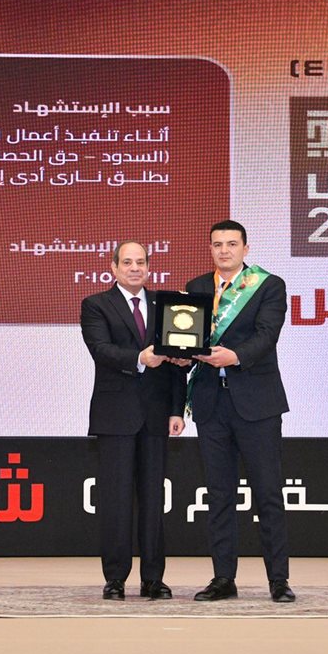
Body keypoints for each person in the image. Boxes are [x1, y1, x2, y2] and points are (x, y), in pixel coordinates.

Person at [186, 220, 294, 603]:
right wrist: (180, 355)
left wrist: (234, 357)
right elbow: (186, 338)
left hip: (257, 404)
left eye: (232, 244)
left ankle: (278, 580)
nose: (224, 250)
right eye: (217, 244)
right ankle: (222, 579)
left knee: (268, 493)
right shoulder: (196, 287)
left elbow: (267, 335)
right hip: (210, 404)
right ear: (210, 249)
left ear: (246, 249)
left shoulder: (268, 285)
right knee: (219, 495)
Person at [80, 241, 187, 600]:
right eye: (127, 262)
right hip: (115, 416)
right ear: (113, 267)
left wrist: (177, 409)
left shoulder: (166, 306)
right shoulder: (96, 305)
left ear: (148, 266)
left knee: (153, 501)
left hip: (156, 417)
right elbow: (101, 350)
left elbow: (177, 361)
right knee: (116, 500)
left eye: (140, 262)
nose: (135, 268)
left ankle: (153, 579)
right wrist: (140, 358)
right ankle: (115, 578)